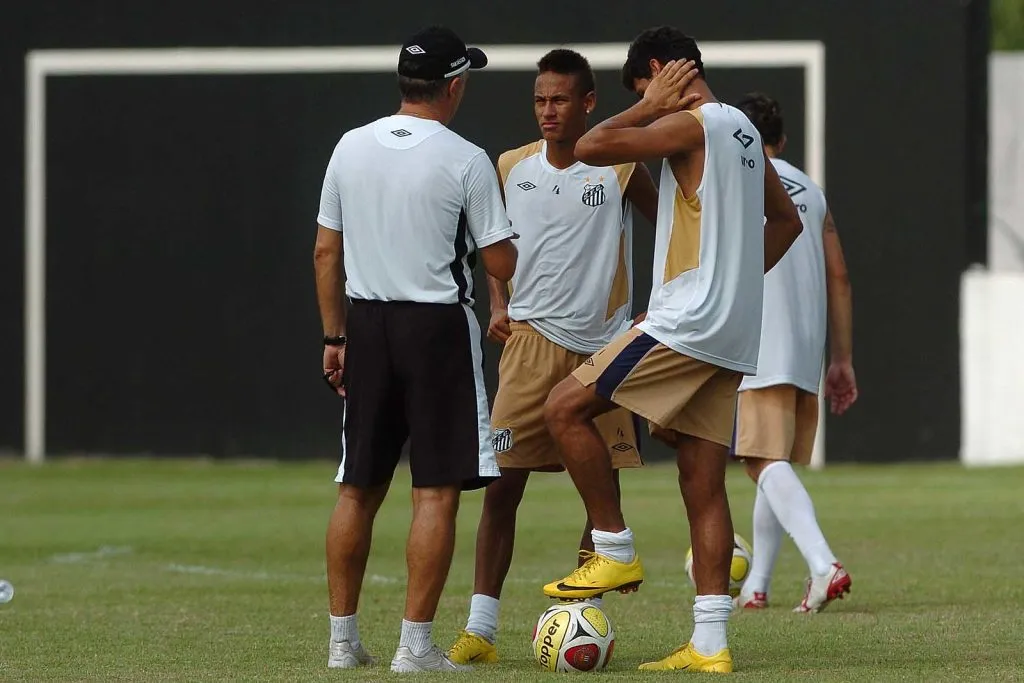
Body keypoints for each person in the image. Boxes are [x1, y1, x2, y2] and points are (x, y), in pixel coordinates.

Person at [540, 27, 803, 673]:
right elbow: (787, 221)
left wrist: (649, 103)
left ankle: (614, 544)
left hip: (688, 321)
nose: (651, 99)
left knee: (563, 408)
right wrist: (735, 289)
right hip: (733, 333)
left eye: (646, 83)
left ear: (660, 70)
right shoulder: (742, 128)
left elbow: (589, 145)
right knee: (701, 480)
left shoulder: (691, 124)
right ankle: (710, 644)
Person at [313, 25, 518, 674]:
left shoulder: (350, 147)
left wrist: (334, 335)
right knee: (435, 492)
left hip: (366, 324)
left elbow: (325, 250)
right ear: (454, 86)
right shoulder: (466, 157)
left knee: (357, 487)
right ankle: (413, 646)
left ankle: (343, 643)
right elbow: (499, 259)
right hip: (434, 331)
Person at [446, 48, 660, 666]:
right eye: (540, 99)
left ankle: (579, 616)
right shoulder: (509, 166)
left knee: (601, 496)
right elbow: (493, 244)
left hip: (602, 350)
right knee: (501, 489)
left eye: (560, 99)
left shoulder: (617, 167)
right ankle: (480, 628)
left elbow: (671, 225)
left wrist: (658, 304)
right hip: (530, 346)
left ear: (588, 103)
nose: (548, 110)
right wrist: (497, 301)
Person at [731, 92, 857, 613]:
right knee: (773, 461)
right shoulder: (813, 188)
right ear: (781, 141)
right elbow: (840, 276)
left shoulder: (736, 179)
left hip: (759, 341)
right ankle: (756, 585)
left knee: (761, 462)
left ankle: (824, 564)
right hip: (806, 345)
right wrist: (841, 359)